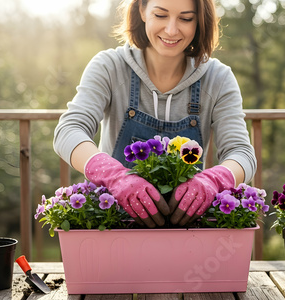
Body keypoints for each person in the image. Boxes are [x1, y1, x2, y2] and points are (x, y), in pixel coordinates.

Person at [53, 0, 256, 228]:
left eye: (186, 18)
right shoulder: (109, 67)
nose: (171, 30)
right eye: (160, 15)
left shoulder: (218, 78)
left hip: (186, 230)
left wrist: (213, 179)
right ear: (142, 10)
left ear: (199, 21)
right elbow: (68, 131)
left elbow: (242, 153)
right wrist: (114, 176)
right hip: (113, 227)